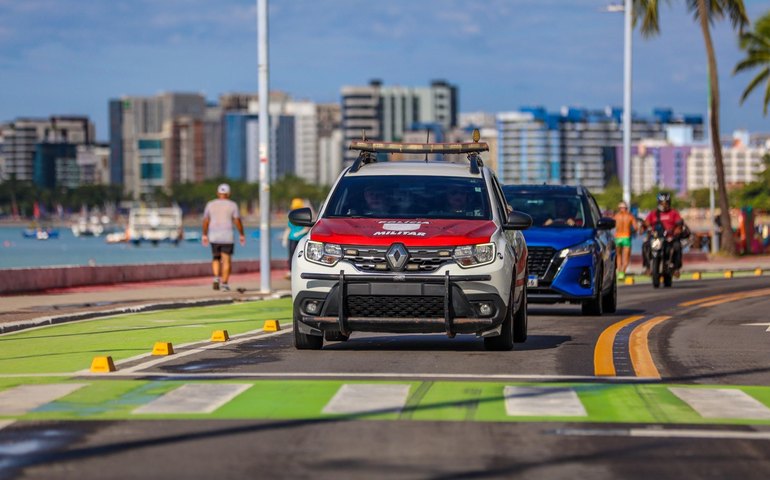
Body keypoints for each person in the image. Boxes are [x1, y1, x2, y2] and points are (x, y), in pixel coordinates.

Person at [202, 183, 245, 291]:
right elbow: (237, 221)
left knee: (216, 258)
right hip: (227, 236)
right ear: (228, 194)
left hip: (214, 236)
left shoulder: (210, 204)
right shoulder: (232, 205)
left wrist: (204, 234)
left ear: (218, 193)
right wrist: (241, 234)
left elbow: (206, 221)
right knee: (226, 260)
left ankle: (216, 277)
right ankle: (224, 284)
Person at [641, 192, 685, 277]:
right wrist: (643, 227)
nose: (664, 205)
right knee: (645, 246)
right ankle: (647, 267)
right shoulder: (653, 213)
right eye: (662, 203)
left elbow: (679, 224)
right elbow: (646, 223)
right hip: (656, 238)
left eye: (666, 203)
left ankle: (676, 268)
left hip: (670, 238)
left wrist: (677, 230)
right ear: (659, 202)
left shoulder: (674, 213)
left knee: (677, 246)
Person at [282, 197, 311, 278]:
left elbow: (307, 228)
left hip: (300, 239)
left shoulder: (304, 216)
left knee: (300, 255)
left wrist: (299, 233)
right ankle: (290, 271)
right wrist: (284, 238)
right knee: (290, 255)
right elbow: (288, 228)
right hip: (291, 238)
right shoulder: (291, 217)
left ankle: (299, 270)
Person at [613, 201, 638, 280]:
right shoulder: (630, 216)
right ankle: (622, 272)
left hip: (617, 237)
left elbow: (611, 226)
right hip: (626, 237)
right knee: (626, 257)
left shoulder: (616, 216)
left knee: (618, 255)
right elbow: (636, 227)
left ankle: (619, 271)